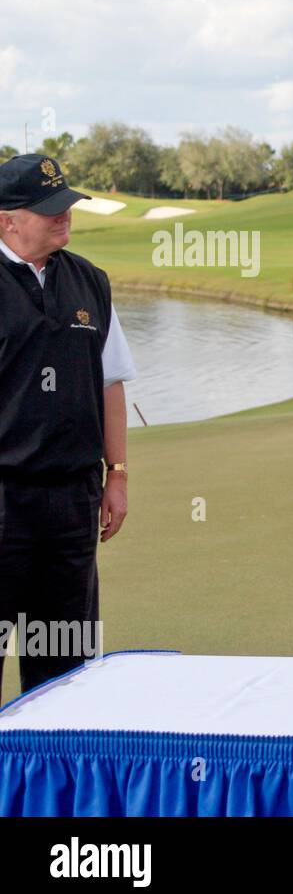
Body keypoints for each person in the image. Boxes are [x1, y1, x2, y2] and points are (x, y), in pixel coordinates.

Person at [0, 154, 135, 693]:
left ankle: (57, 778)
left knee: (65, 670)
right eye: (48, 210)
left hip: (72, 503)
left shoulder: (89, 282)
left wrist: (117, 474)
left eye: (67, 206)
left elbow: (111, 384)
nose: (64, 217)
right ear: (8, 219)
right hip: (5, 498)